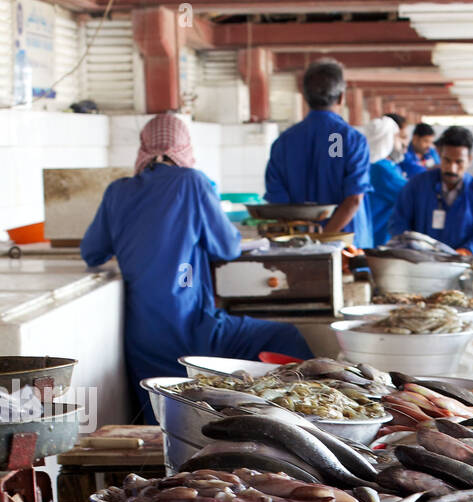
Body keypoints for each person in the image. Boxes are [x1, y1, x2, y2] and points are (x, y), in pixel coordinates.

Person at [81, 114, 309, 419]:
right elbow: (226, 247)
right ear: (185, 146)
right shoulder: (192, 182)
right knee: (285, 336)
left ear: (143, 147)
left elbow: (92, 252)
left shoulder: (117, 191)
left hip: (141, 341)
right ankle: (306, 419)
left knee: (163, 420)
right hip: (192, 329)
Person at [264, 59, 372, 248]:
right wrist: (323, 240)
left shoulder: (283, 143)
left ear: (305, 97)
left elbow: (278, 202)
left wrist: (308, 241)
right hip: (345, 245)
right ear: (341, 98)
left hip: (297, 245)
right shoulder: (348, 138)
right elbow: (353, 198)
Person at [389, 125, 473, 254]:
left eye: (459, 162)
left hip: (461, 265)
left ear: (469, 160)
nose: (452, 168)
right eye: (447, 160)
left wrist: (464, 253)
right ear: (439, 155)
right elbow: (398, 222)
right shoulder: (416, 186)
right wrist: (410, 247)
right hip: (419, 263)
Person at [364, 115, 408, 247]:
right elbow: (412, 193)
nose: (403, 143)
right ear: (387, 140)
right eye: (398, 137)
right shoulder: (382, 169)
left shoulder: (378, 166)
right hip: (379, 238)